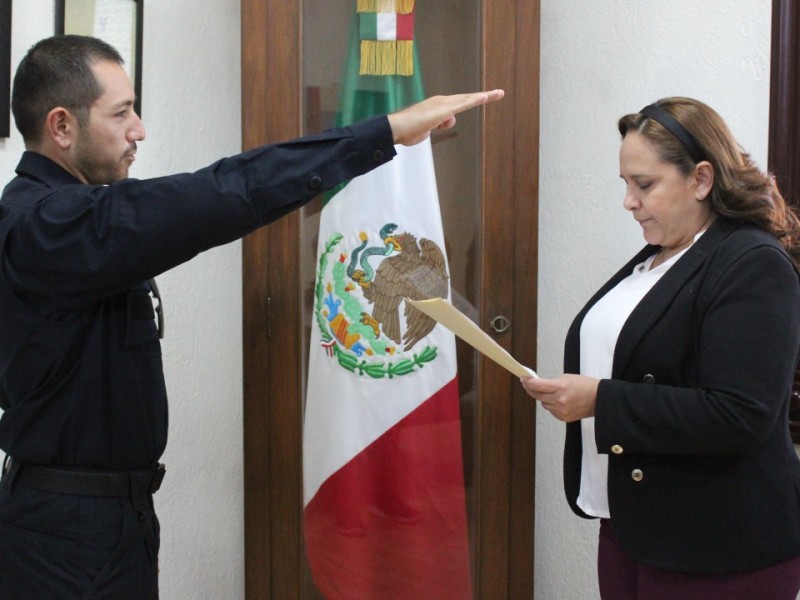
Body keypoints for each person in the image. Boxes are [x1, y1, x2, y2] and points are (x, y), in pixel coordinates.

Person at [0, 34, 503, 599]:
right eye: (121, 113)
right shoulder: (45, 226)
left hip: (109, 518)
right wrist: (380, 133)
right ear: (62, 126)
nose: (139, 129)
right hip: (66, 534)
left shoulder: (68, 219)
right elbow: (223, 192)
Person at [522, 97, 800, 599]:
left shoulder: (751, 262)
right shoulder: (656, 258)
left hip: (719, 547)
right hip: (634, 526)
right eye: (625, 184)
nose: (629, 201)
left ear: (701, 179)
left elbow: (741, 413)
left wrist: (599, 401)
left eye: (644, 184)